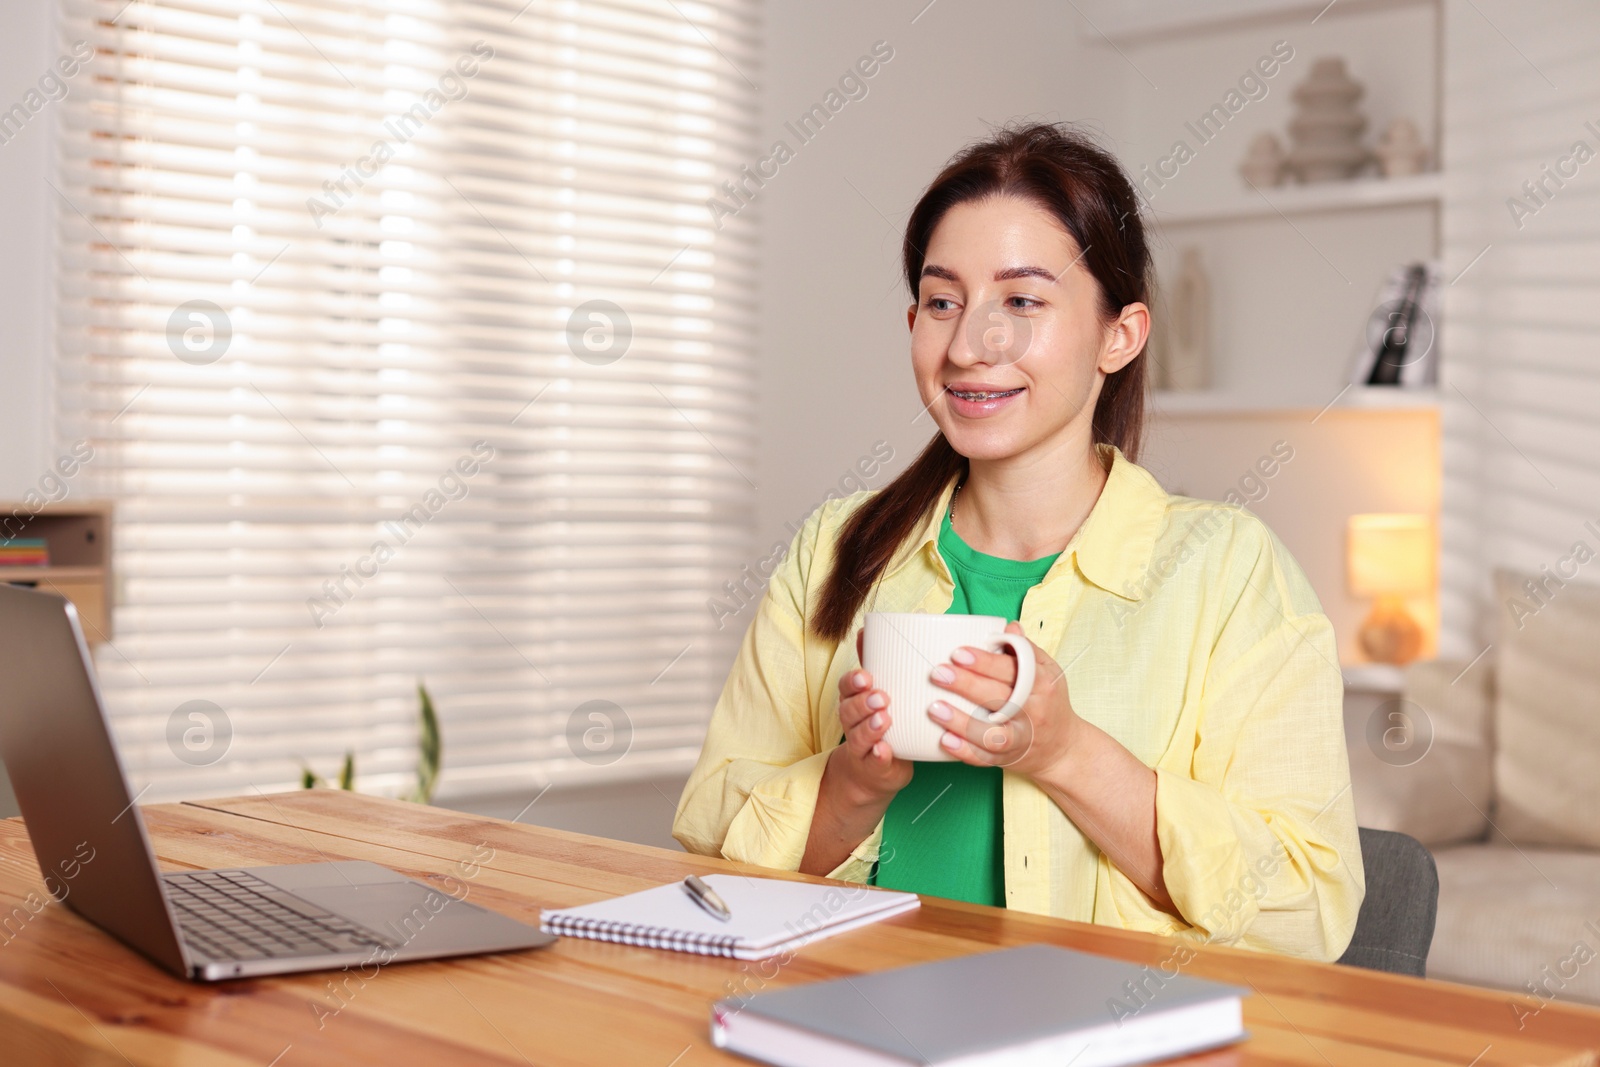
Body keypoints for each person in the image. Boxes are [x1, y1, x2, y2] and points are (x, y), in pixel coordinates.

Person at [672, 121, 1364, 960]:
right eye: (942, 301)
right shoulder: (835, 548)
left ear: (1122, 334)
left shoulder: (1229, 573)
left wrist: (1068, 752)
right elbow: (710, 863)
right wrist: (851, 785)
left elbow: (1308, 913)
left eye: (1023, 301)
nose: (969, 346)